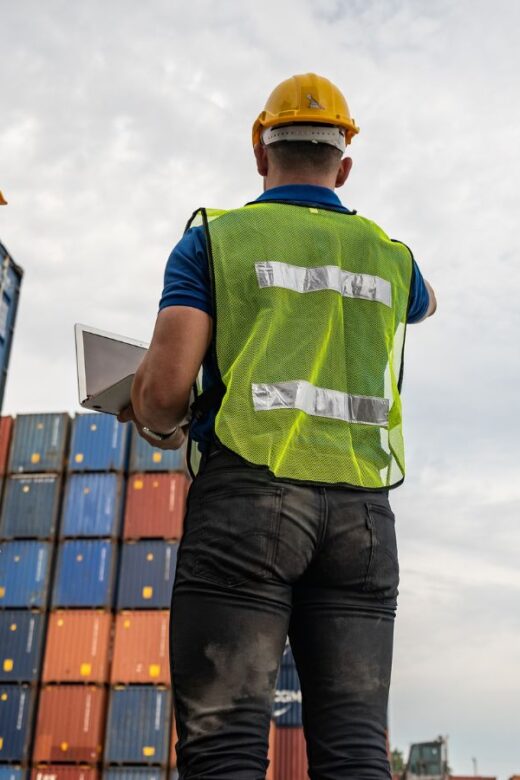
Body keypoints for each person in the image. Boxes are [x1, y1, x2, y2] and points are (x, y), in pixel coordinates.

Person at [119, 73, 437, 780]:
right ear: (344, 165)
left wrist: (150, 414)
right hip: (361, 522)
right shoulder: (393, 257)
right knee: (356, 751)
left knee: (226, 751)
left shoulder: (215, 240)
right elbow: (426, 302)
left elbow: (166, 393)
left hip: (248, 509)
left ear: (261, 154)